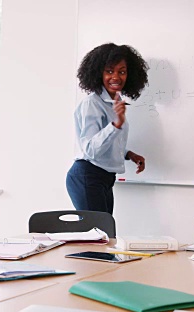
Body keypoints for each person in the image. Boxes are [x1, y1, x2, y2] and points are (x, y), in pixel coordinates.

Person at [66, 43, 149, 214]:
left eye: (122, 71)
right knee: (99, 235)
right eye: (109, 71)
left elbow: (108, 143)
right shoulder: (92, 103)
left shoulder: (115, 101)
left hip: (104, 177)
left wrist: (129, 154)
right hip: (87, 175)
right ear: (98, 73)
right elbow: (90, 150)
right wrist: (116, 125)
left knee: (106, 235)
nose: (116, 77)